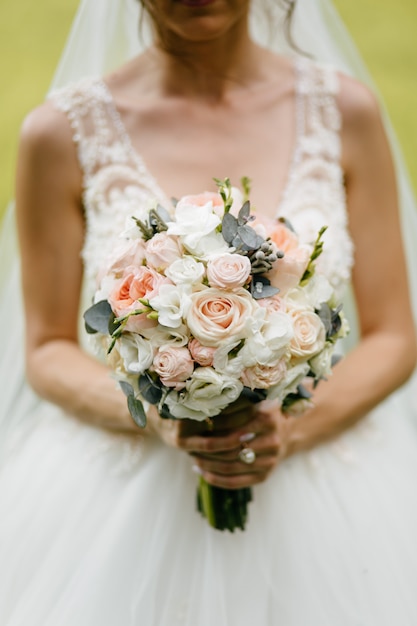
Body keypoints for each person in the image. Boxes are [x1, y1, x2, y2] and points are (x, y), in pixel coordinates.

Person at [1, 0, 417, 624]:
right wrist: (168, 418)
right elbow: (46, 349)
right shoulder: (58, 134)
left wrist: (288, 428)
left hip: (322, 488)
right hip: (123, 496)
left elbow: (393, 336)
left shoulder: (345, 112)